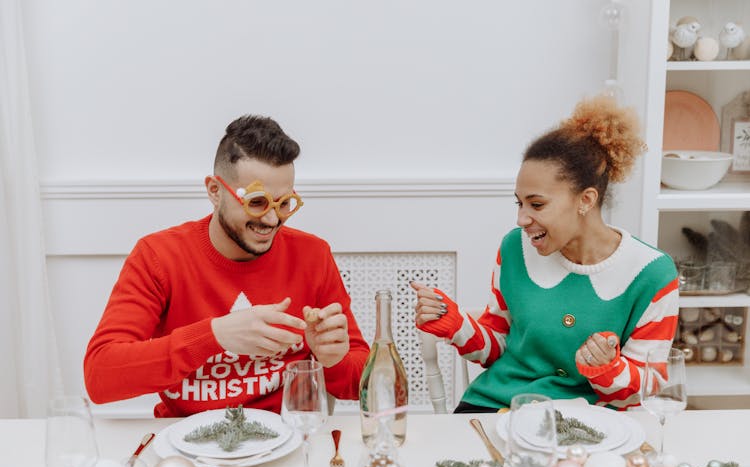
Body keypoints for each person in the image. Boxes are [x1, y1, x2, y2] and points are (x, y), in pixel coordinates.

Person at [84, 115, 370, 417]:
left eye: (284, 203)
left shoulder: (312, 254)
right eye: (257, 202)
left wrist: (333, 359)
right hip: (188, 440)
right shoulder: (158, 256)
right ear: (214, 191)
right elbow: (100, 377)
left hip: (287, 437)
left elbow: (360, 383)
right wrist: (215, 335)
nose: (273, 221)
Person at [412, 95, 678, 412]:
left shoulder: (651, 273)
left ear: (586, 200)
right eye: (519, 203)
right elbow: (498, 346)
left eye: (536, 205)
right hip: (497, 405)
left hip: (591, 422)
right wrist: (456, 324)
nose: (521, 219)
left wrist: (608, 369)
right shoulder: (515, 249)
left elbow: (645, 387)